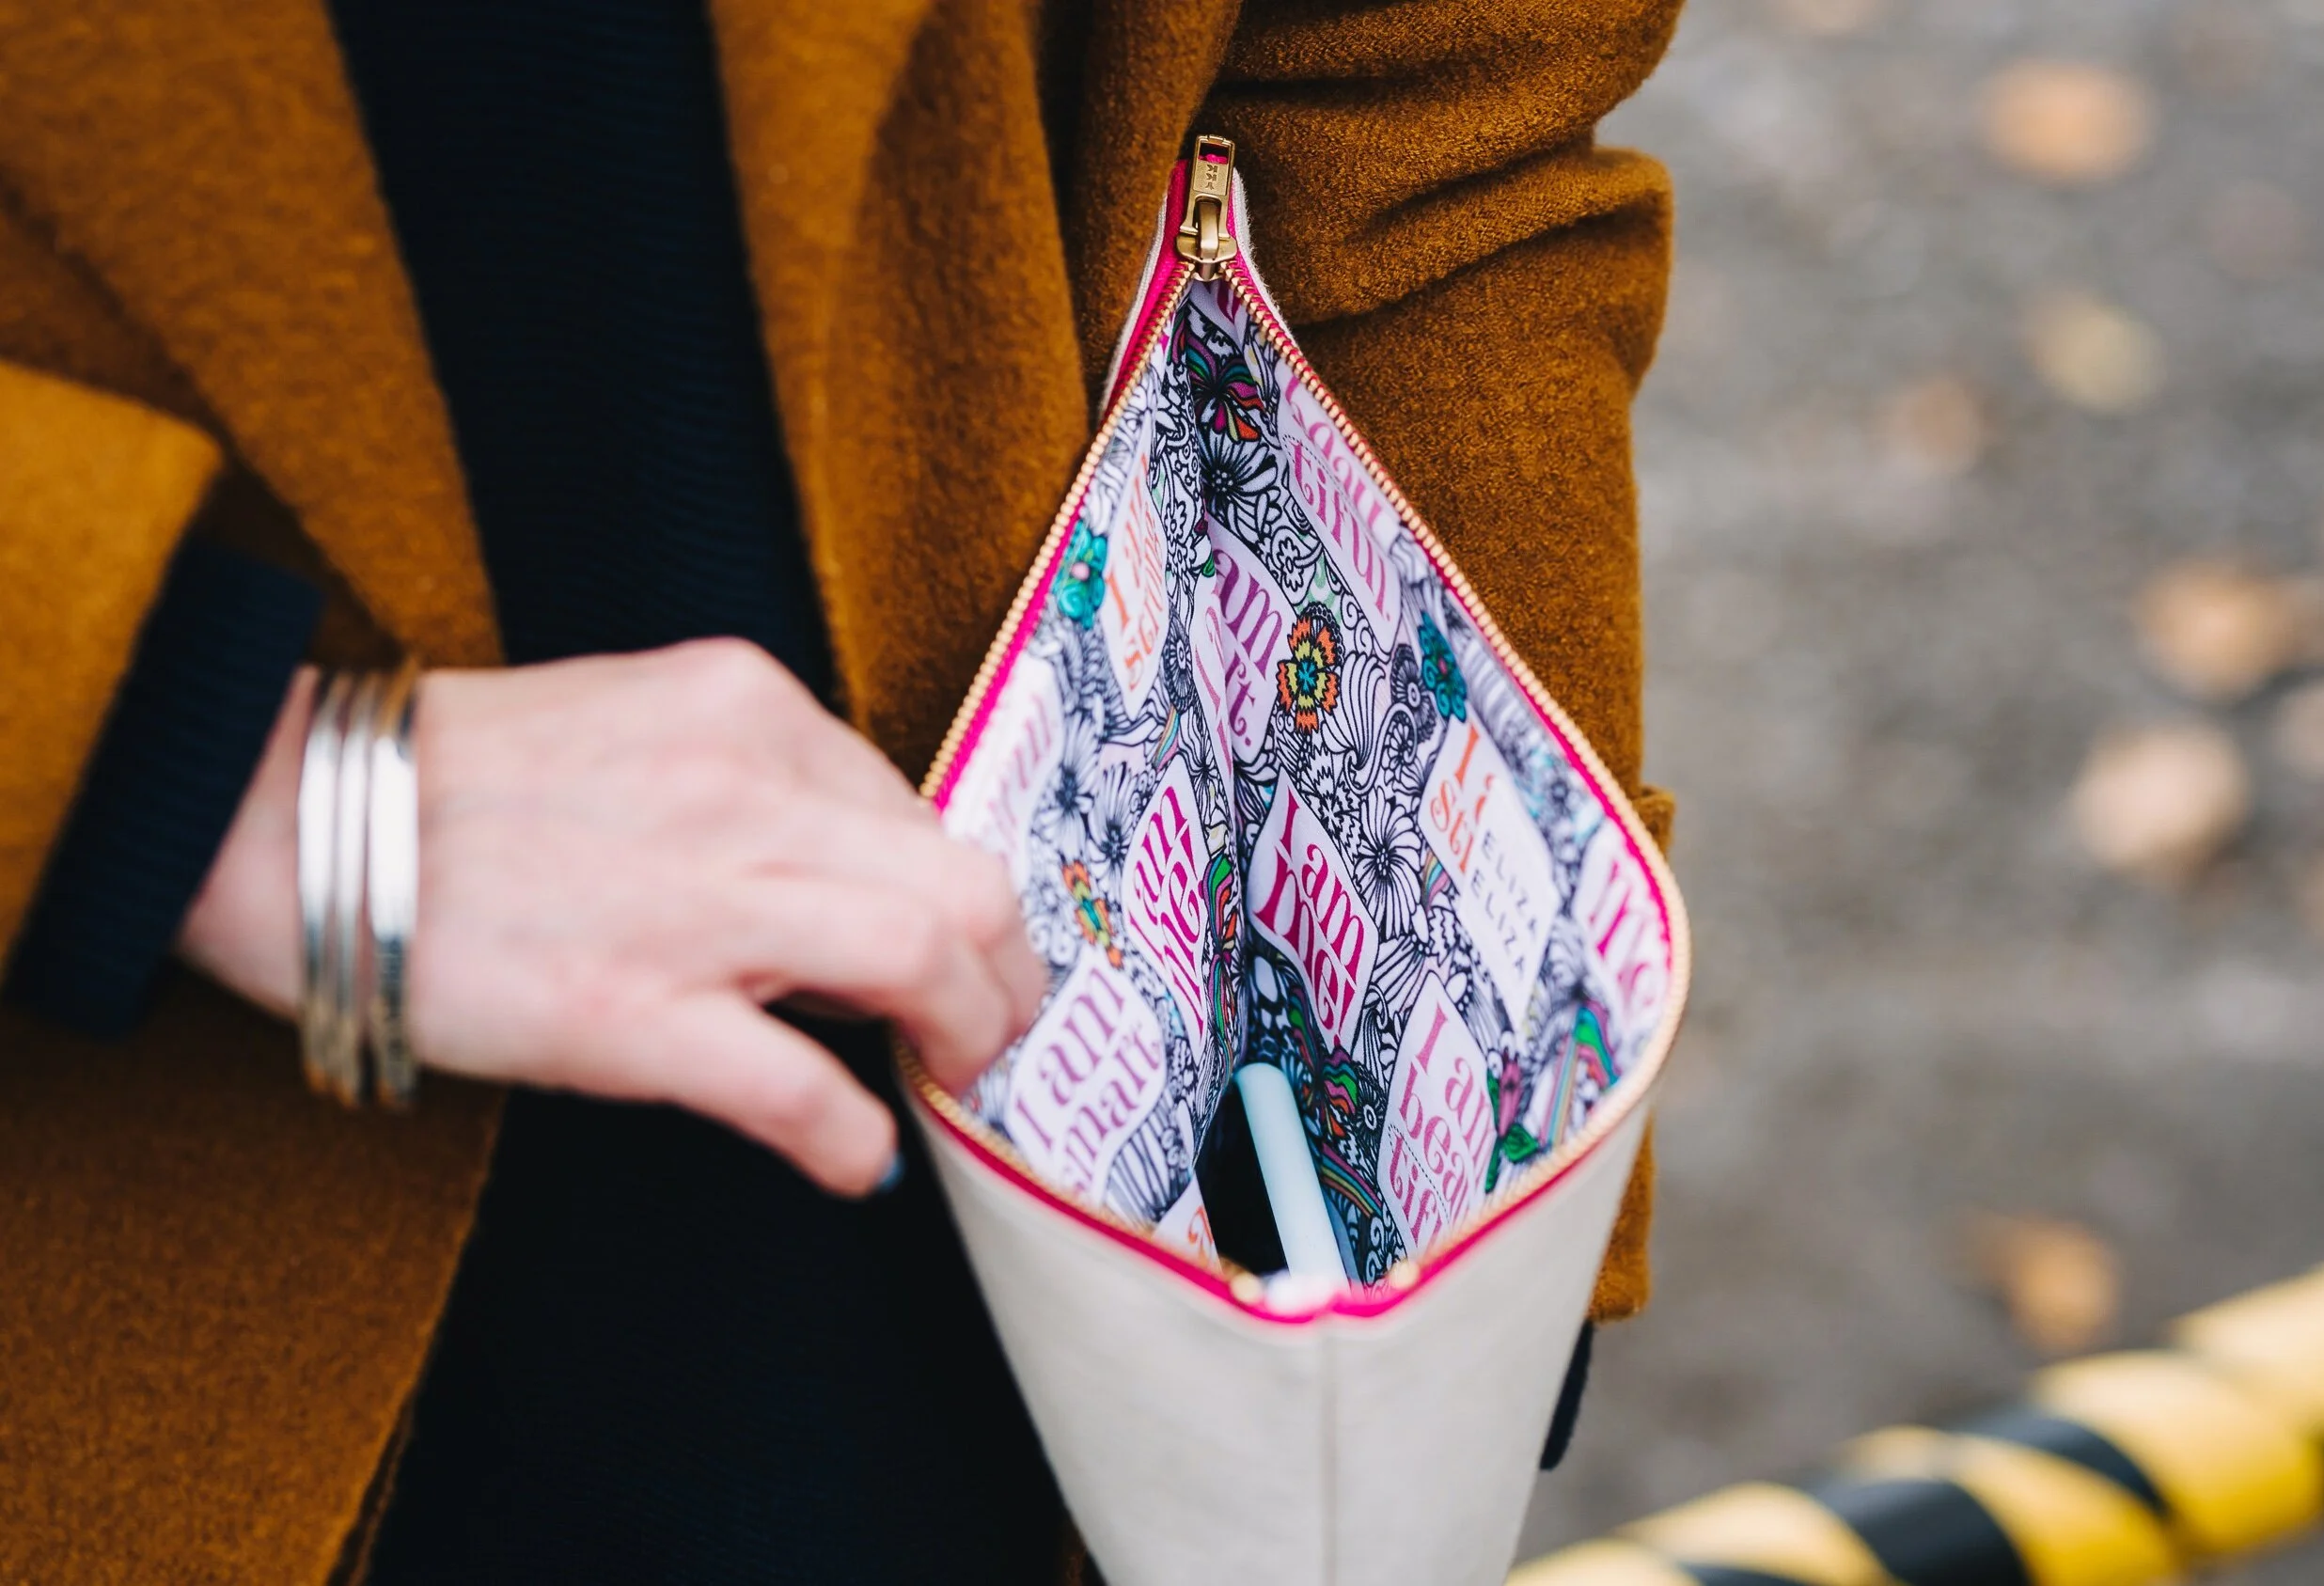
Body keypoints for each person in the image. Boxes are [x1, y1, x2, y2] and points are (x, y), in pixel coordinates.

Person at [0, 0, 1681, 1578]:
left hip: (1071, 1194)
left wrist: (1491, 1149)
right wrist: (202, 759)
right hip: (164, 1194)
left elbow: (1432, 102)